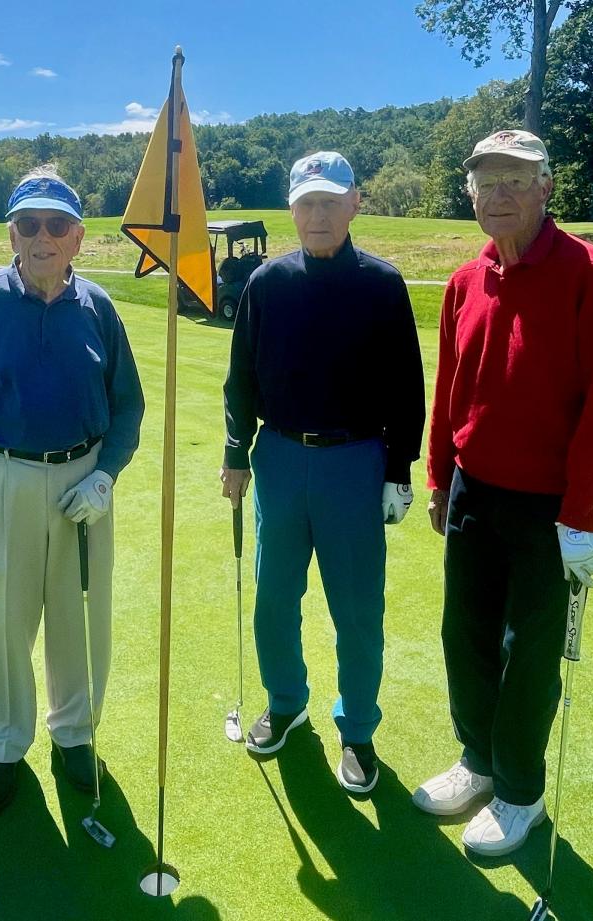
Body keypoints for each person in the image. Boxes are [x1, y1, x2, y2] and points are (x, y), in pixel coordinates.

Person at [413, 130, 593, 856]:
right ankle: (479, 760)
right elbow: (450, 391)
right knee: (466, 637)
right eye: (487, 181)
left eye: (516, 179)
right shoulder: (464, 280)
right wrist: (440, 477)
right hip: (476, 491)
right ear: (470, 192)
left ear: (547, 187)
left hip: (550, 508)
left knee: (529, 653)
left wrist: (582, 517)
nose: (499, 193)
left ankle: (520, 791)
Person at [0, 167, 144, 814]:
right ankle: (1, 745)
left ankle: (74, 733)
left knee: (79, 618)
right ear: (12, 234)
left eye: (57, 224)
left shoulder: (99, 308)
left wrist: (106, 473)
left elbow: (127, 408)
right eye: (29, 223)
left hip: (83, 482)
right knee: (0, 623)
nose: (42, 236)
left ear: (78, 237)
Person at [220, 151, 425, 793]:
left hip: (355, 463)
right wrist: (234, 455)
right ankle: (287, 703)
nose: (319, 214)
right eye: (308, 203)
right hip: (278, 459)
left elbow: (407, 390)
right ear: (292, 208)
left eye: (331, 202)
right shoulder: (266, 283)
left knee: (357, 609)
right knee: (274, 598)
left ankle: (358, 730)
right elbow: (241, 380)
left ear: (354, 203)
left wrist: (398, 470)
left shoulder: (382, 284)